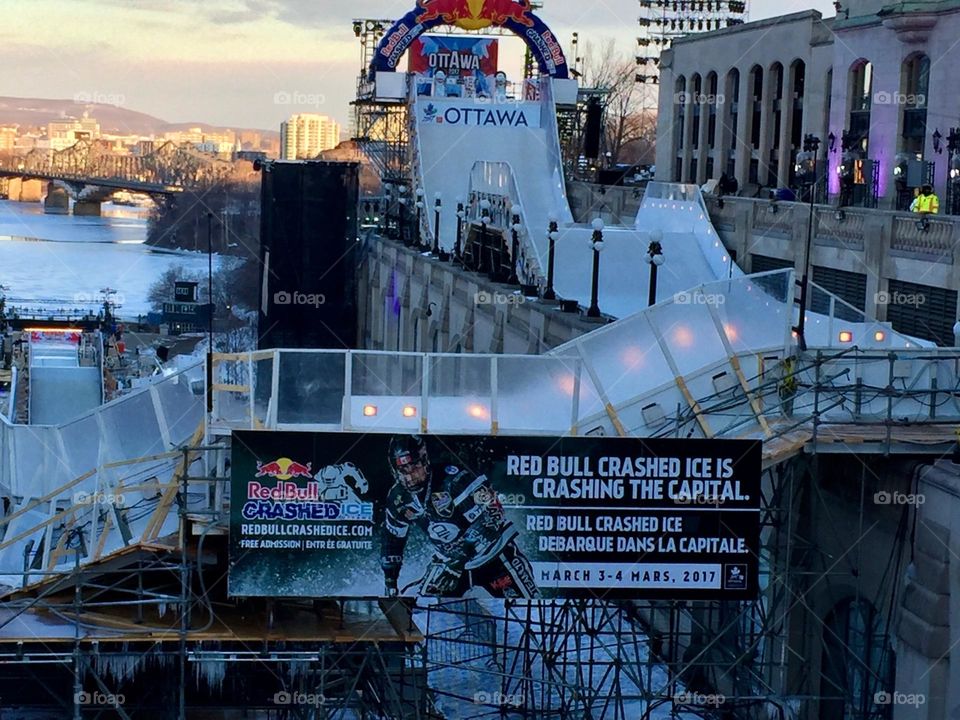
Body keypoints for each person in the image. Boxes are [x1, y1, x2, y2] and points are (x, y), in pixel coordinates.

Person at [380, 435, 539, 599]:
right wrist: (390, 582)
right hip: (448, 562)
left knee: (529, 612)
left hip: (494, 557)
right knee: (424, 610)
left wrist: (459, 560)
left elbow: (492, 515)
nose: (410, 477)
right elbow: (392, 539)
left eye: (415, 467)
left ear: (425, 461)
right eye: (403, 471)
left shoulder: (455, 479)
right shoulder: (397, 498)